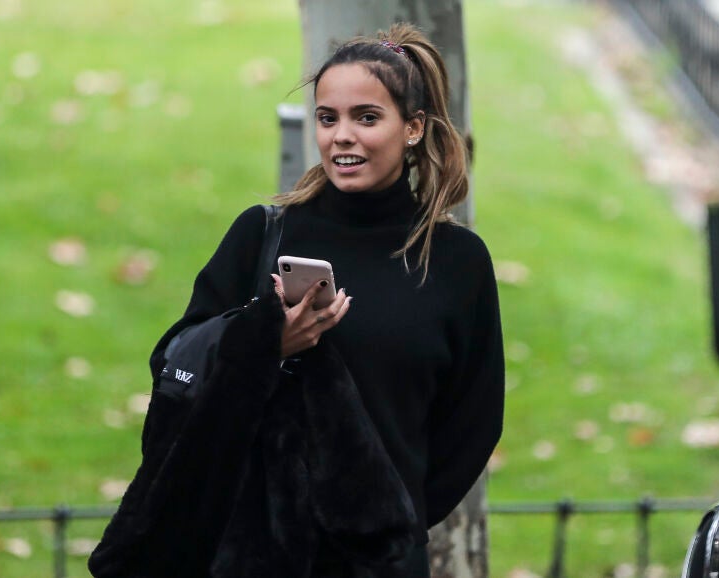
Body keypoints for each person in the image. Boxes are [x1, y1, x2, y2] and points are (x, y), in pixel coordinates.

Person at [89, 23, 504, 578]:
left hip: (378, 563)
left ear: (413, 128)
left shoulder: (456, 261)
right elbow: (174, 363)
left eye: (367, 118)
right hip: (250, 558)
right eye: (328, 118)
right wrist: (267, 341)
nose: (342, 136)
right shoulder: (263, 234)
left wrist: (391, 521)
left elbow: (474, 422)